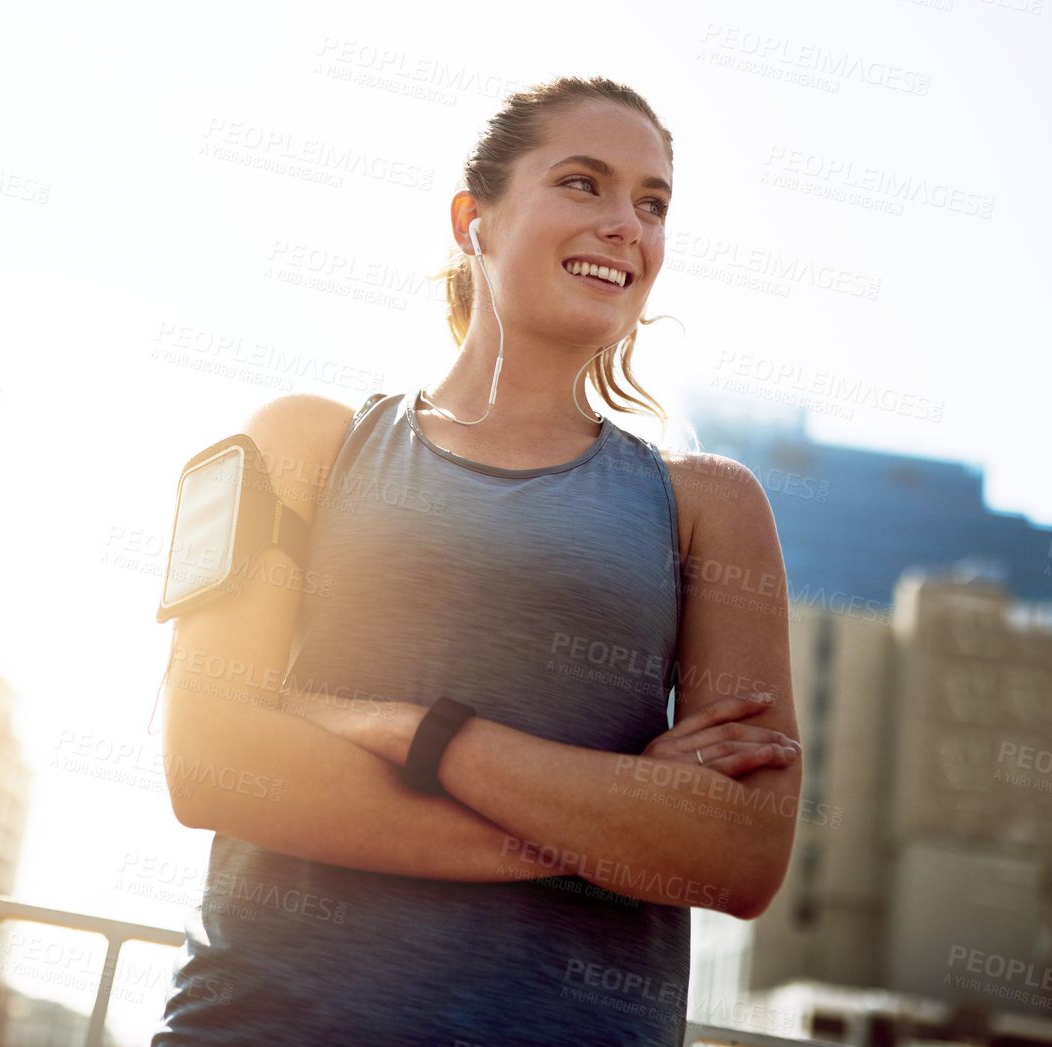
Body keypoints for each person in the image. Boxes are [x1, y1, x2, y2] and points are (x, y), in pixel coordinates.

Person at [152, 75, 801, 1047]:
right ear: (475, 220)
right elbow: (211, 763)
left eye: (652, 202)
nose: (626, 223)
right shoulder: (296, 445)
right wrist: (609, 827)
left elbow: (739, 852)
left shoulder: (710, 508)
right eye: (582, 183)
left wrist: (409, 734)